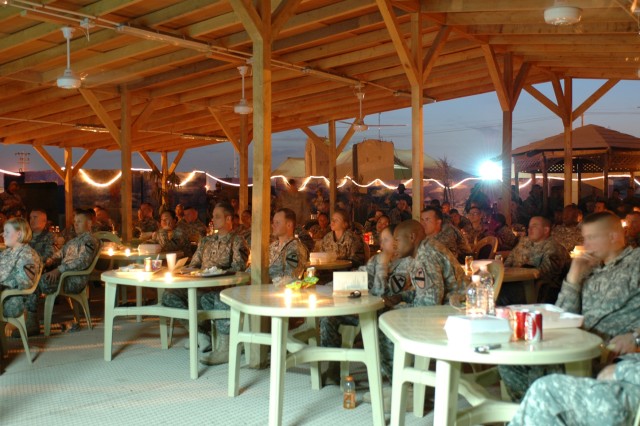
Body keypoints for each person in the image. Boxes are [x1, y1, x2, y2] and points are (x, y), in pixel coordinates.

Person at [499, 211, 640, 401]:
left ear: (613, 236)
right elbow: (564, 314)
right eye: (585, 238)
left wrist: (636, 337)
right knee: (508, 362)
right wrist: (573, 278)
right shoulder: (590, 266)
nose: (586, 244)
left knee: (540, 386)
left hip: (612, 355)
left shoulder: (635, 263)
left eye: (591, 238)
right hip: (573, 345)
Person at [320, 225, 412, 383]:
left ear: (396, 241)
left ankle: (389, 376)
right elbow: (361, 276)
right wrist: (332, 286)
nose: (381, 245)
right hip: (362, 310)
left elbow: (382, 295)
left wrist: (383, 267)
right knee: (329, 318)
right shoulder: (377, 259)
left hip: (385, 313)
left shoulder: (406, 264)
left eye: (385, 240)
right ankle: (333, 366)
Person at [162, 203, 249, 358]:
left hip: (220, 289)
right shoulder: (206, 241)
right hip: (199, 286)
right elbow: (194, 264)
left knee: (213, 297)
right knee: (169, 295)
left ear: (228, 218)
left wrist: (216, 271)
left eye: (217, 216)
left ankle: (218, 343)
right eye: (213, 216)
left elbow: (239, 267)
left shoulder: (237, 241)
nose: (213, 219)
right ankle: (199, 333)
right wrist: (186, 270)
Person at [509, 353, 640, 426]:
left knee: (547, 391)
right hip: (629, 367)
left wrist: (620, 369)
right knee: (516, 366)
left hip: (632, 388)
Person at [25, 209, 100, 333]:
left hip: (74, 280)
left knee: (36, 282)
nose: (75, 224)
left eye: (79, 222)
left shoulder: (89, 241)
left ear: (89, 224)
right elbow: (59, 253)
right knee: (31, 278)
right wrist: (47, 261)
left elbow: (82, 262)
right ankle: (29, 320)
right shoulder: (74, 241)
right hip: (64, 276)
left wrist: (59, 270)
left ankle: (32, 324)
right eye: (75, 221)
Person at [501, 216, 570, 305]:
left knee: (500, 293)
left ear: (546, 230)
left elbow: (546, 273)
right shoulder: (524, 242)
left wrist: (520, 271)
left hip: (537, 290)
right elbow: (508, 262)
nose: (530, 229)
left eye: (534, 226)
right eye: (529, 226)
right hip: (515, 282)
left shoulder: (553, 248)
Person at [0, 217, 42, 332]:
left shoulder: (27, 255)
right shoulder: (7, 252)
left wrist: (3, 284)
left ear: (19, 234)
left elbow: (25, 282)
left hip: (13, 300)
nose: (3, 234)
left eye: (7, 231)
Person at [262, 208, 309, 285]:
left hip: (278, 292)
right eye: (273, 222)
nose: (273, 225)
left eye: (277, 222)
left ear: (289, 225)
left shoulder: (295, 248)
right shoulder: (273, 246)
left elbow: (290, 277)